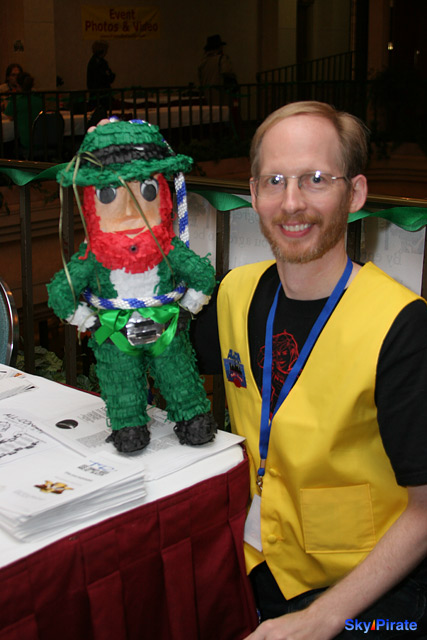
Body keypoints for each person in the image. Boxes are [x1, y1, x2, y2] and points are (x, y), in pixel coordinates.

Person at [192, 101, 427, 638]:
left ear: (355, 193)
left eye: (316, 179)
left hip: (373, 589)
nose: (292, 202)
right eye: (274, 181)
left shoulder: (402, 326)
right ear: (253, 194)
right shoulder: (233, 293)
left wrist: (321, 620)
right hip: (258, 561)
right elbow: (162, 353)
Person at [4, 71, 43, 157]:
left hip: (26, 141)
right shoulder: (39, 99)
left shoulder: (16, 100)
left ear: (18, 85)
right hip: (42, 140)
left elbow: (9, 116)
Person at [198, 34, 238, 104]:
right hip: (221, 94)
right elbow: (227, 72)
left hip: (208, 95)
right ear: (219, 47)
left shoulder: (203, 61)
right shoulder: (222, 59)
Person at [86, 40, 115, 108]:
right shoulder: (96, 63)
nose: (106, 52)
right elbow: (102, 78)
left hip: (101, 94)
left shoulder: (100, 62)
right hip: (100, 95)